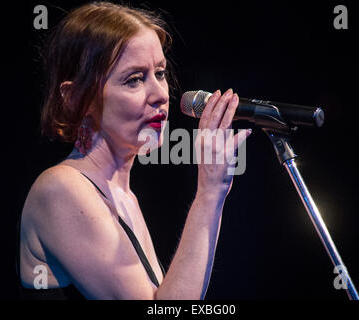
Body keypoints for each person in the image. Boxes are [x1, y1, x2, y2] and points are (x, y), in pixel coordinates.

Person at [17, 1, 251, 300]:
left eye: (160, 73)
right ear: (77, 98)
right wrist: (209, 193)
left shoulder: (123, 196)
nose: (159, 94)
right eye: (134, 79)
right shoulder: (61, 189)